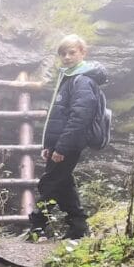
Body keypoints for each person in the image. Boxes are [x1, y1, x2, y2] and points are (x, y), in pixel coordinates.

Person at [28, 34, 107, 240]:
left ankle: (37, 226)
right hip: (61, 142)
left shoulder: (82, 80)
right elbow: (58, 118)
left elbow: (79, 118)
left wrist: (62, 147)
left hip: (69, 144)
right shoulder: (70, 78)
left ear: (83, 52)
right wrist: (49, 144)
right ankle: (78, 226)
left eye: (72, 52)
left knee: (50, 182)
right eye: (63, 53)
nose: (67, 57)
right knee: (63, 182)